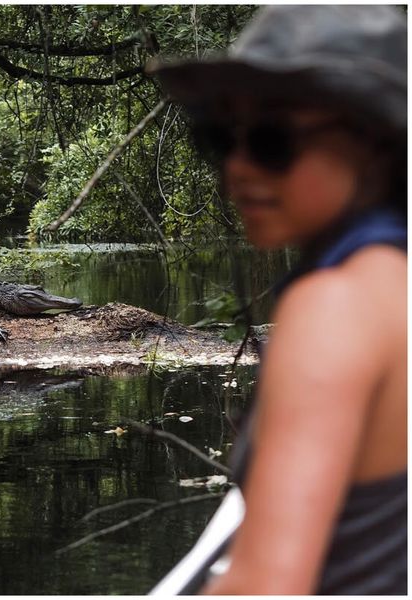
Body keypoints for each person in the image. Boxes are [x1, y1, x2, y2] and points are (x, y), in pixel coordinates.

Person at [152, 5, 406, 595]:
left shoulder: (335, 306)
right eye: (220, 139)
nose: (238, 168)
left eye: (272, 142)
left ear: (376, 145)